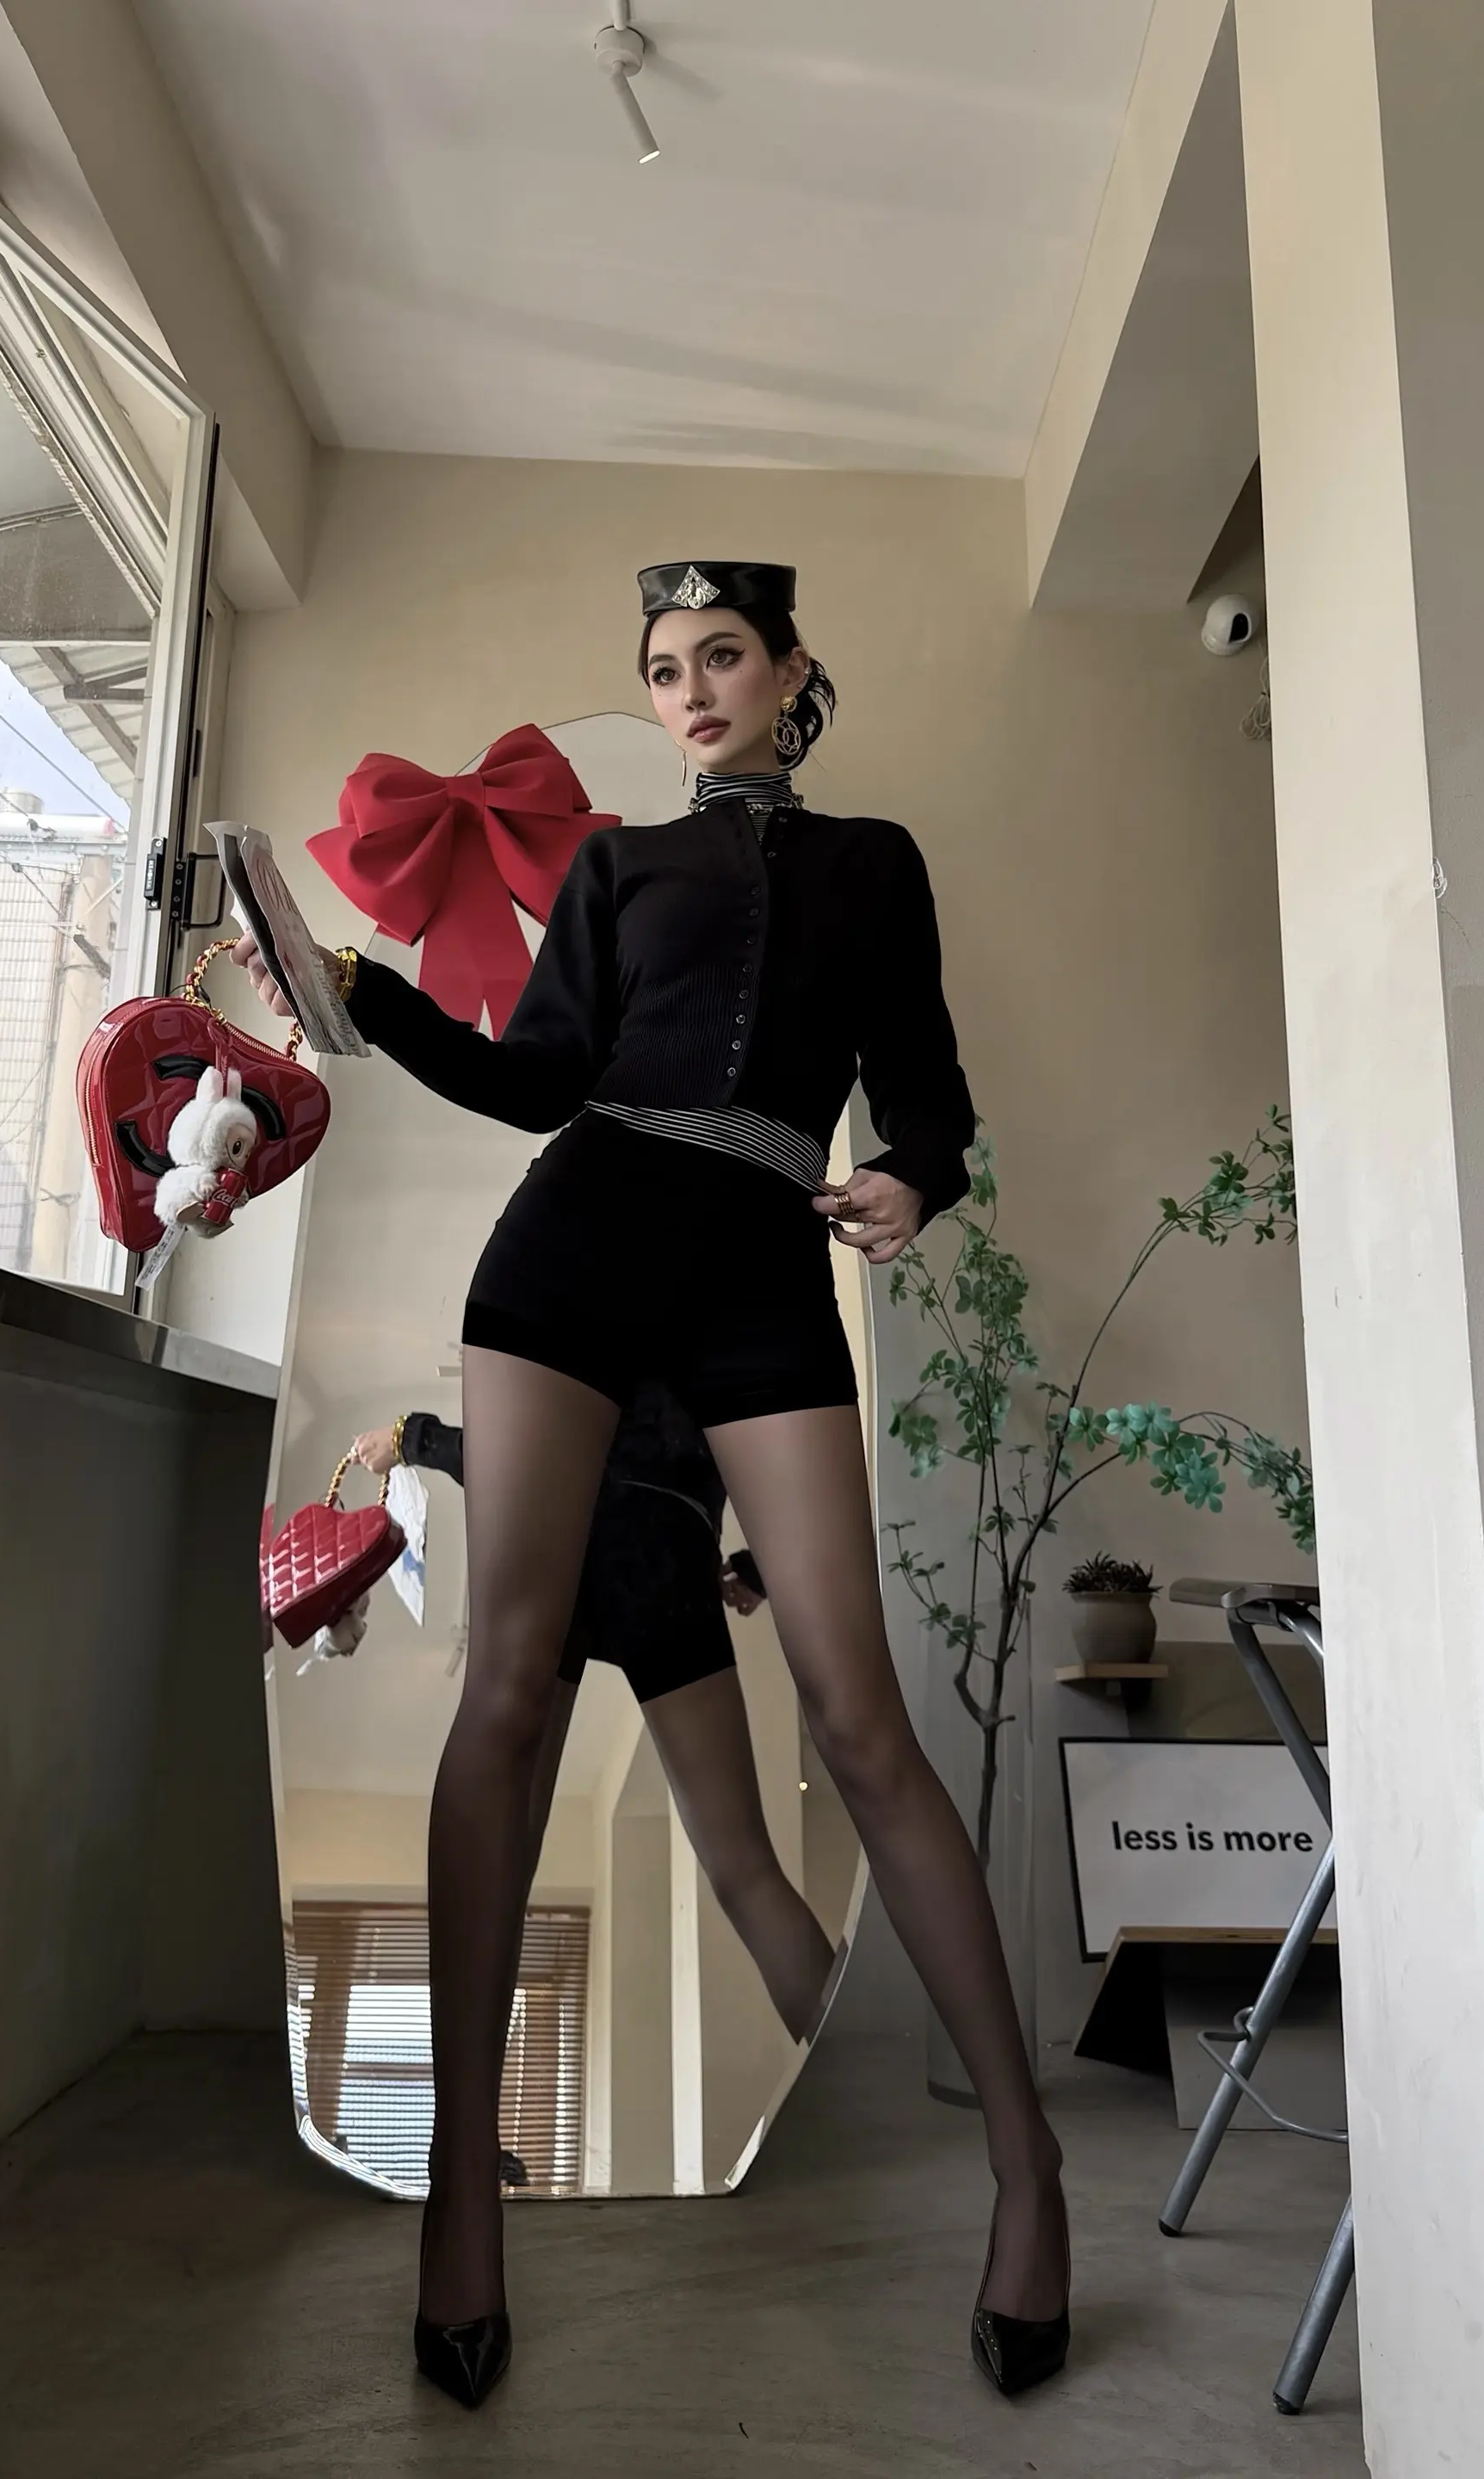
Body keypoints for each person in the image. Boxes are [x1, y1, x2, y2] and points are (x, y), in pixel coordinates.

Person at [239, 558, 1068, 2409]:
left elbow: (928, 1094)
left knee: (861, 1718)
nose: (691, 688)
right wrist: (360, 996)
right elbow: (540, 1082)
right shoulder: (617, 870)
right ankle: (466, 2197)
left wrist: (914, 1179)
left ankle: (1029, 2170)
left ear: (789, 671)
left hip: (767, 1266)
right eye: (664, 666)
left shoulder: (877, 867)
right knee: (509, 1686)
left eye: (721, 657)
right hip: (578, 1241)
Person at [351, 1384, 837, 2047]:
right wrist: (758, 1569)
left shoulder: (574, 1317)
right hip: (671, 1547)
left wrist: (412, 1438)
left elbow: (525, 1458)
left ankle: (469, 2111)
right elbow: (775, 1454)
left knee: (505, 1868)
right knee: (746, 1871)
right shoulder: (717, 1329)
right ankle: (851, 2071)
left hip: (564, 1541)